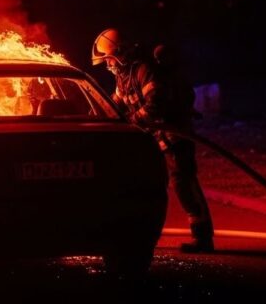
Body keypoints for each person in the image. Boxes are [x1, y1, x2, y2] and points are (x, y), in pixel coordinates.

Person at [92, 28, 215, 253]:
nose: (107, 64)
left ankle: (203, 237)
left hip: (174, 136)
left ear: (119, 54)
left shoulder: (143, 70)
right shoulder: (124, 76)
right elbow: (115, 104)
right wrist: (96, 115)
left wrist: (131, 119)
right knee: (146, 184)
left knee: (183, 183)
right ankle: (138, 233)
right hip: (151, 139)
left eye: (108, 58)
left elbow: (155, 105)